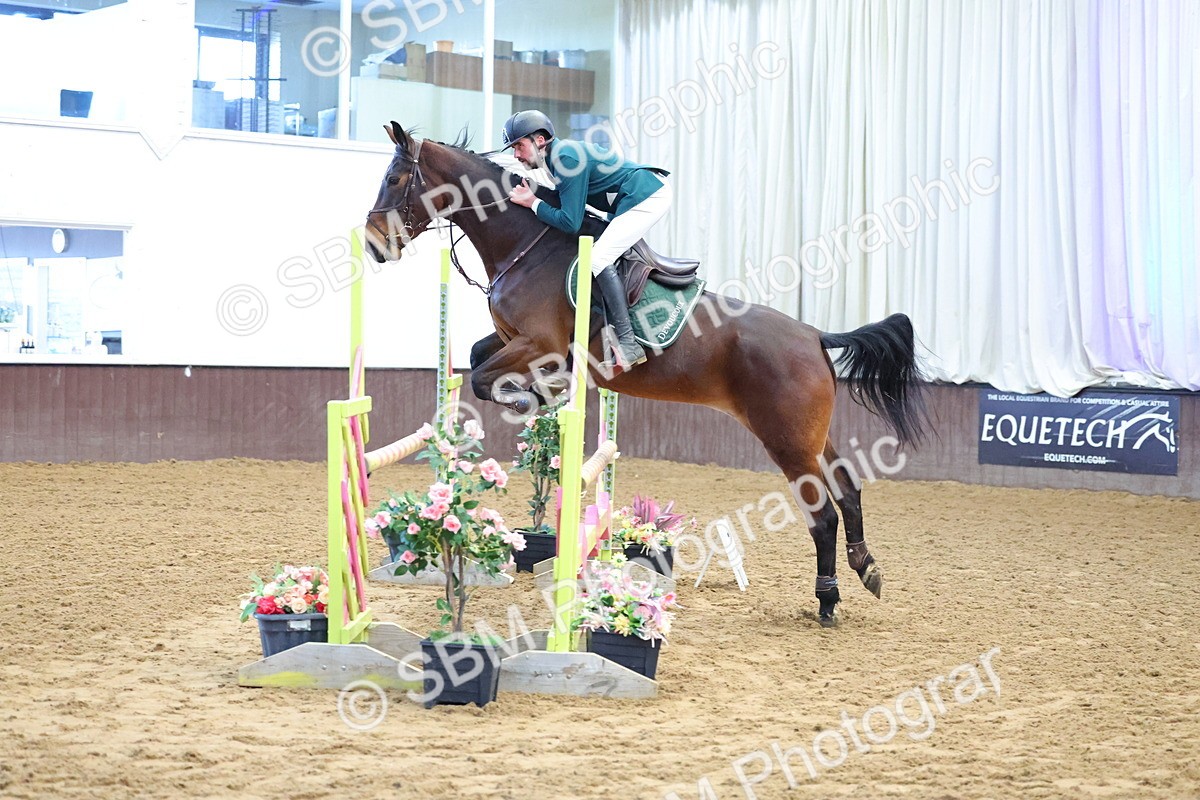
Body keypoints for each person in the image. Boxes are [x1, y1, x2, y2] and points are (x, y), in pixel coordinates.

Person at [501, 109, 671, 370]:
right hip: (628, 197)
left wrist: (533, 203)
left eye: (519, 146)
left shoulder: (565, 158)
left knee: (598, 258)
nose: (516, 155)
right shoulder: (554, 160)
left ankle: (628, 343)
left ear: (540, 140)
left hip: (646, 194)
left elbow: (570, 221)